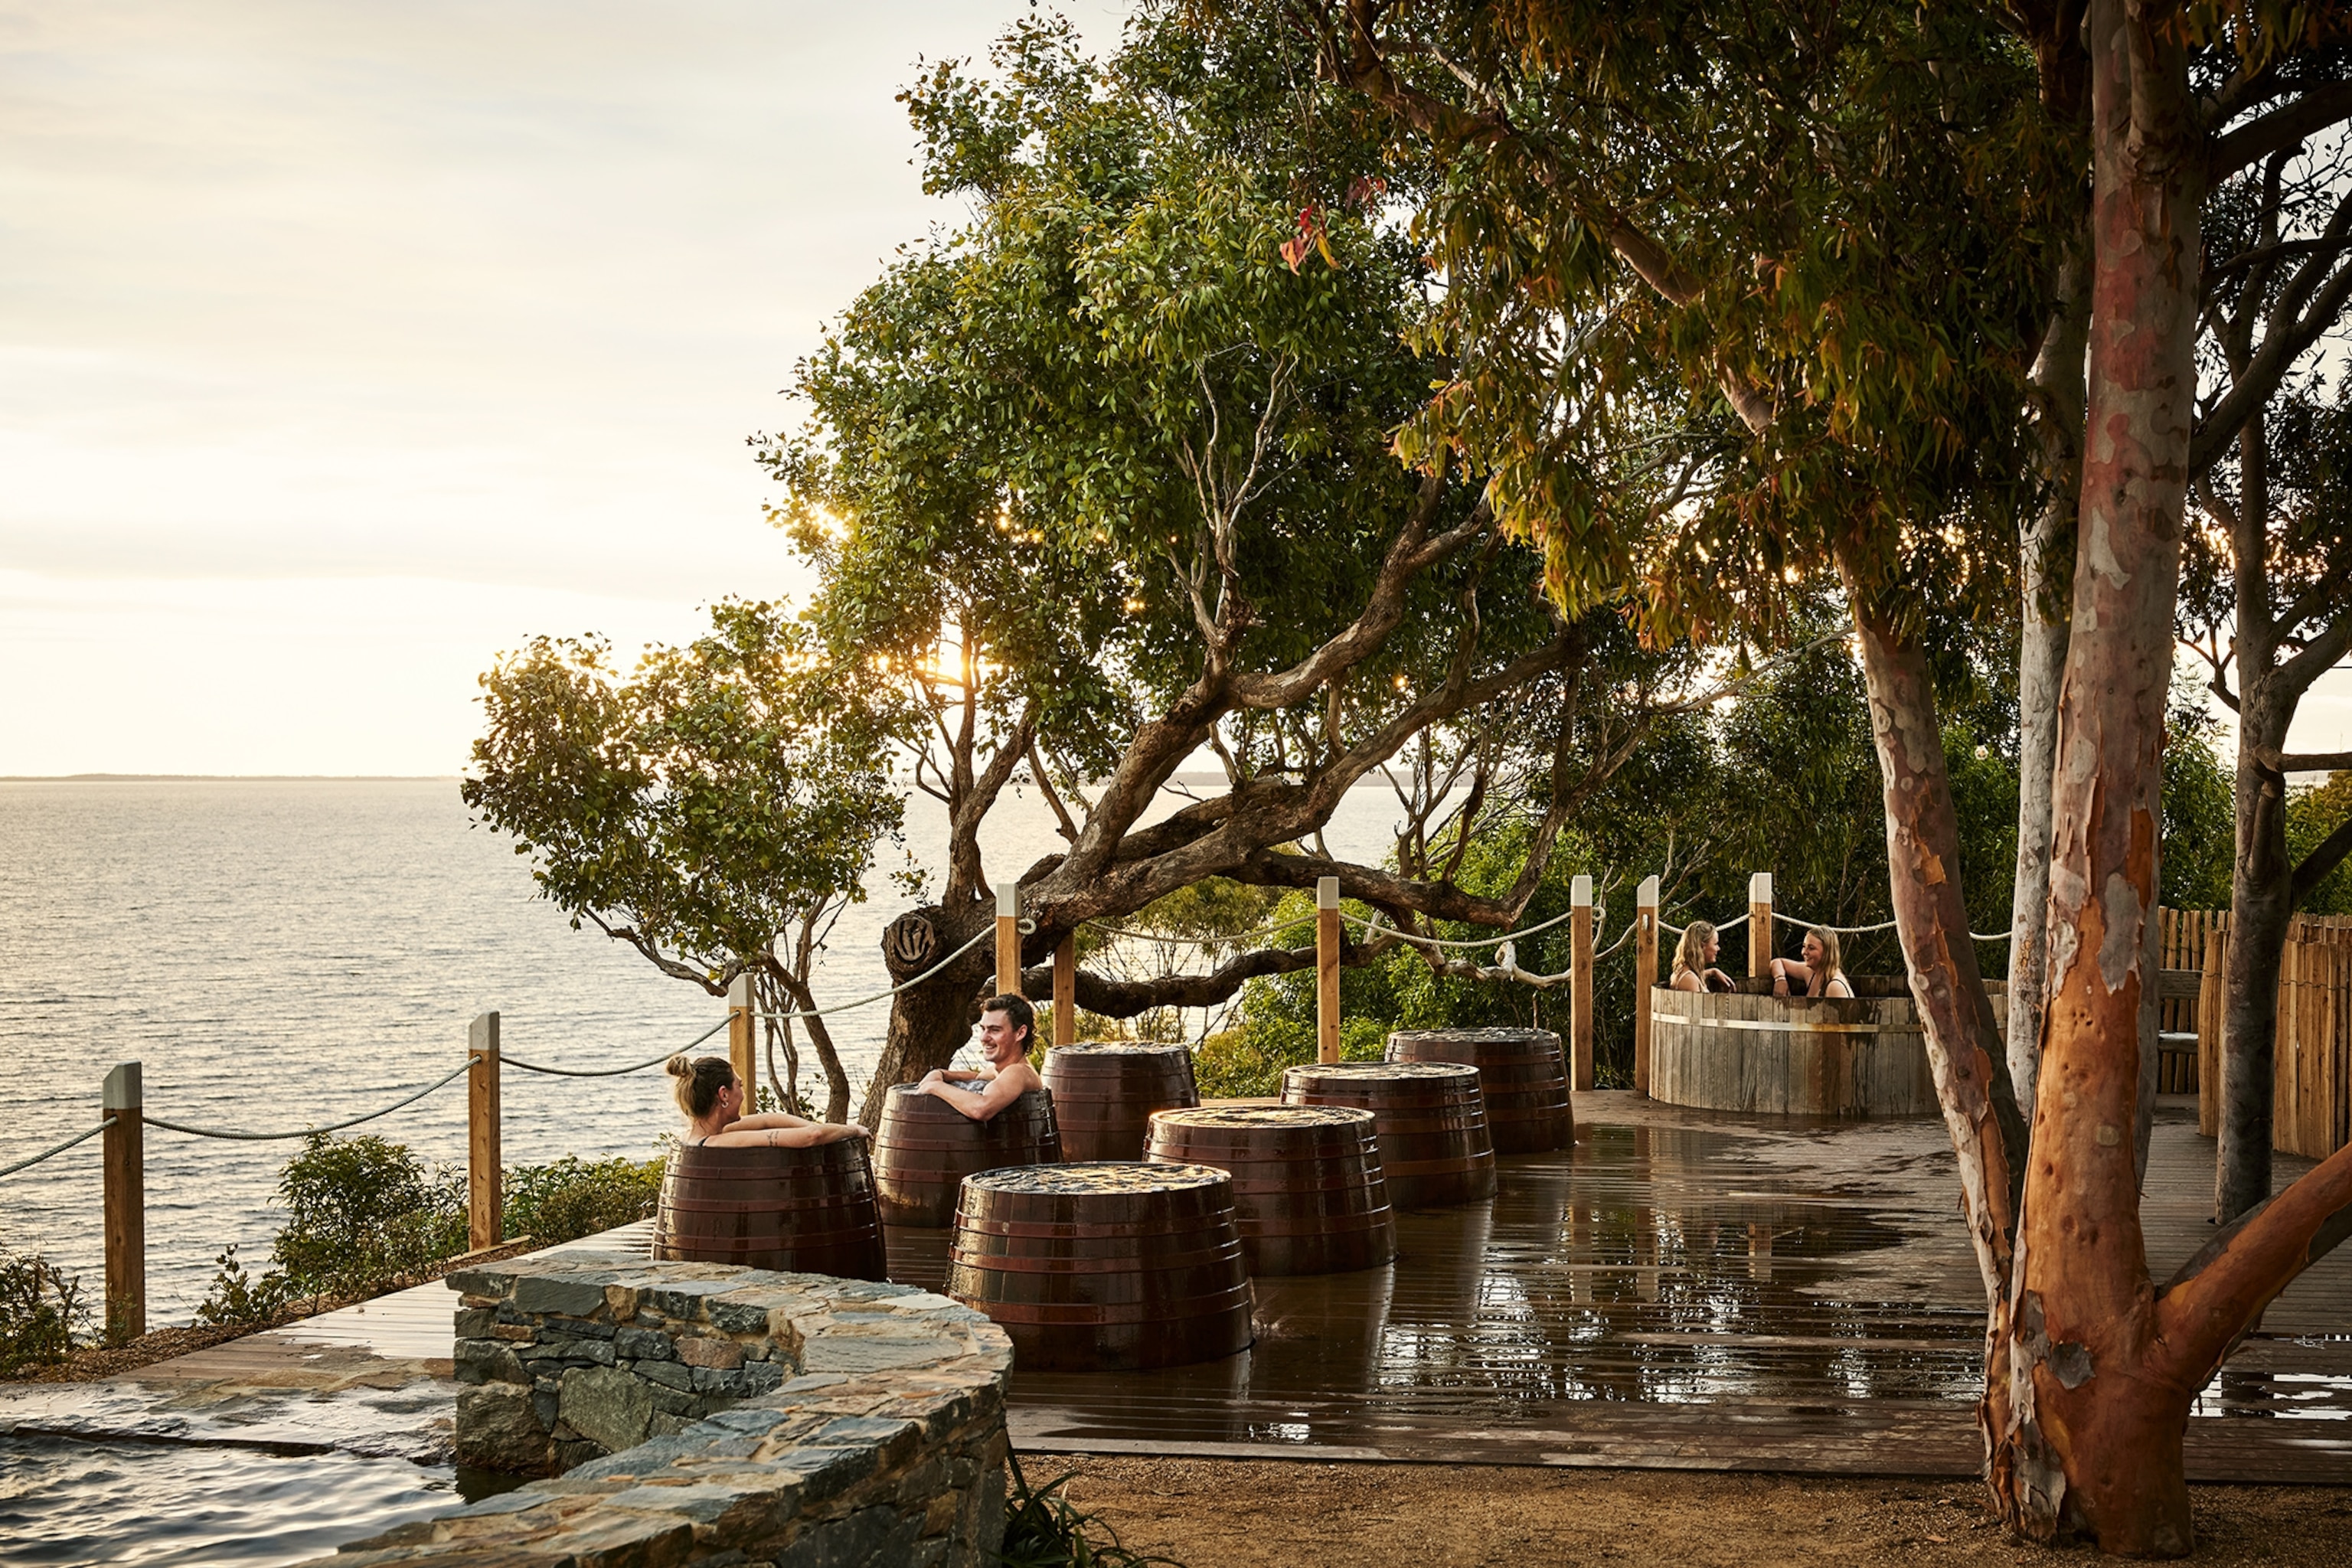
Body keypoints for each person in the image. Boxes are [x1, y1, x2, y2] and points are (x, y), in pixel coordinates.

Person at [665, 1054, 872, 1148]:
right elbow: (813, 1136)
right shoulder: (718, 1142)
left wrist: (819, 1126)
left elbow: (768, 1120)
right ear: (724, 1095)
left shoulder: (697, 1136)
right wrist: (852, 1130)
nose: (743, 1093)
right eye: (740, 1086)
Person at [917, 993, 1045, 1121]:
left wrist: (934, 1086)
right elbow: (978, 1077)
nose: (984, 1038)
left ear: (1020, 1033)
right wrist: (941, 1073)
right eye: (982, 1029)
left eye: (995, 1030)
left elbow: (981, 1109)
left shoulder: (1018, 1072)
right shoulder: (1004, 1070)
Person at [1771, 926, 1854, 998]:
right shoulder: (1811, 972)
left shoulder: (1835, 986)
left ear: (1827, 952)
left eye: (1811, 948)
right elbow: (1778, 962)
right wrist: (1780, 979)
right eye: (1804, 946)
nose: (1804, 952)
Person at [1669, 922, 1736, 993]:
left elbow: (1697, 974)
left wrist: (1713, 971)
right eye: (1715, 944)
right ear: (1702, 946)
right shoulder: (1689, 980)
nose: (1718, 948)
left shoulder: (1685, 971)